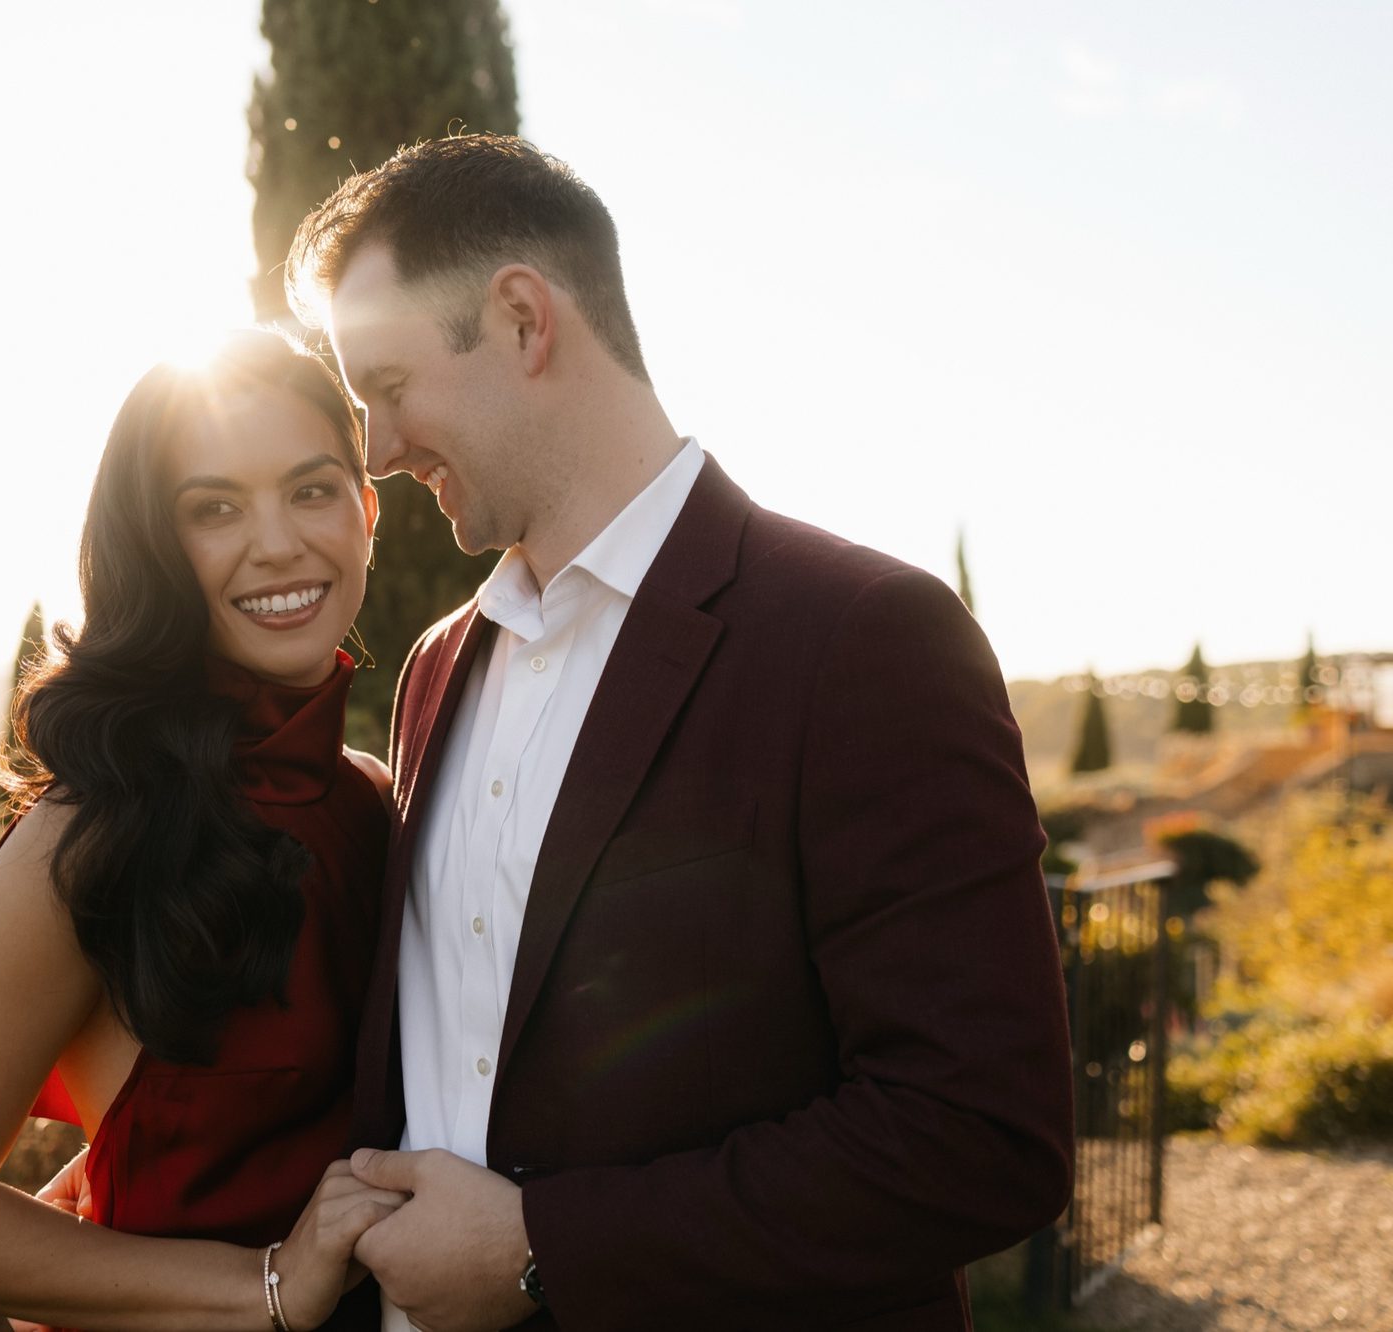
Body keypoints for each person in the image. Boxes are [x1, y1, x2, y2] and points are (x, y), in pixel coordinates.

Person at [282, 134, 1077, 1330]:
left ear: (519, 320)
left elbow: (978, 1134)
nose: (377, 453)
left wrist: (543, 1251)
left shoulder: (863, 638)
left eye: (387, 390)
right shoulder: (438, 669)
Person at [0, 329, 404, 1331]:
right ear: (155, 545)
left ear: (366, 509)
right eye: (213, 509)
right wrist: (268, 1287)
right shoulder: (97, 830)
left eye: (311, 489)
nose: (278, 542)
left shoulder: (373, 801)